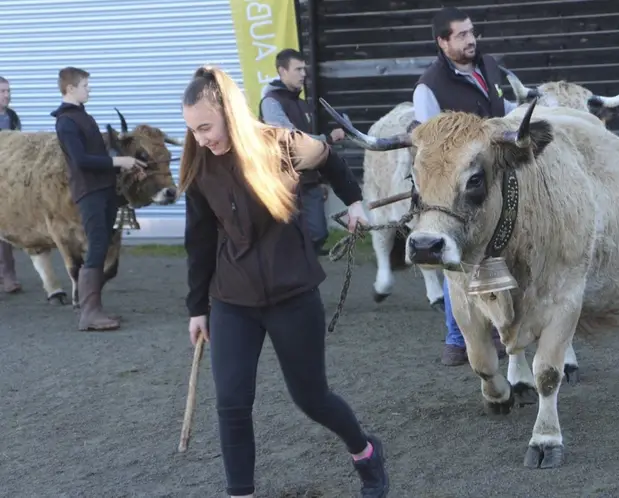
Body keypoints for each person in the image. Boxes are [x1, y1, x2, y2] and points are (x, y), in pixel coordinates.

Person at [179, 65, 389, 498]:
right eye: (192, 130)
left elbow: (330, 159)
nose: (200, 139)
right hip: (232, 300)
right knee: (232, 404)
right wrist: (197, 308)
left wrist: (354, 203)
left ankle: (366, 452)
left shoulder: (282, 144)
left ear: (229, 113)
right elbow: (198, 241)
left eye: (205, 127)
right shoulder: (200, 166)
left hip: (292, 295)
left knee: (312, 399)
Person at [413, 6, 515, 366]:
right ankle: (457, 339)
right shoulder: (429, 86)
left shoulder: (490, 67)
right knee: (454, 252)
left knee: (495, 248)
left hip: (496, 174)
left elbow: (507, 107)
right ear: (442, 42)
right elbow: (430, 146)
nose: (471, 40)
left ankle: (498, 329)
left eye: (471, 32)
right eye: (461, 35)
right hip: (457, 186)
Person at [51, 67, 146, 331]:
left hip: (102, 189)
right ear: (70, 89)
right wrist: (120, 160)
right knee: (96, 247)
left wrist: (125, 167)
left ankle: (95, 309)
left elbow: (96, 157)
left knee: (102, 246)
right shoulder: (66, 121)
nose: (88, 89)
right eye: (85, 85)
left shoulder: (81, 117)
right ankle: (89, 314)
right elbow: (81, 160)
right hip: (89, 191)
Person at [258, 48, 347, 256]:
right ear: (282, 71)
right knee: (289, 236)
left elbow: (310, 148)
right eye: (298, 69)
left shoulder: (301, 103)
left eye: (304, 69)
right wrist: (328, 139)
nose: (304, 74)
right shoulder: (271, 103)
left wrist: (320, 177)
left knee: (318, 233)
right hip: (284, 182)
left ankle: (306, 259)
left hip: (309, 180)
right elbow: (290, 138)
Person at [0, 76, 24, 294]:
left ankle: (8, 275)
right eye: (2, 91)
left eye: (8, 91)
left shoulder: (12, 117)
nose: (7, 95)